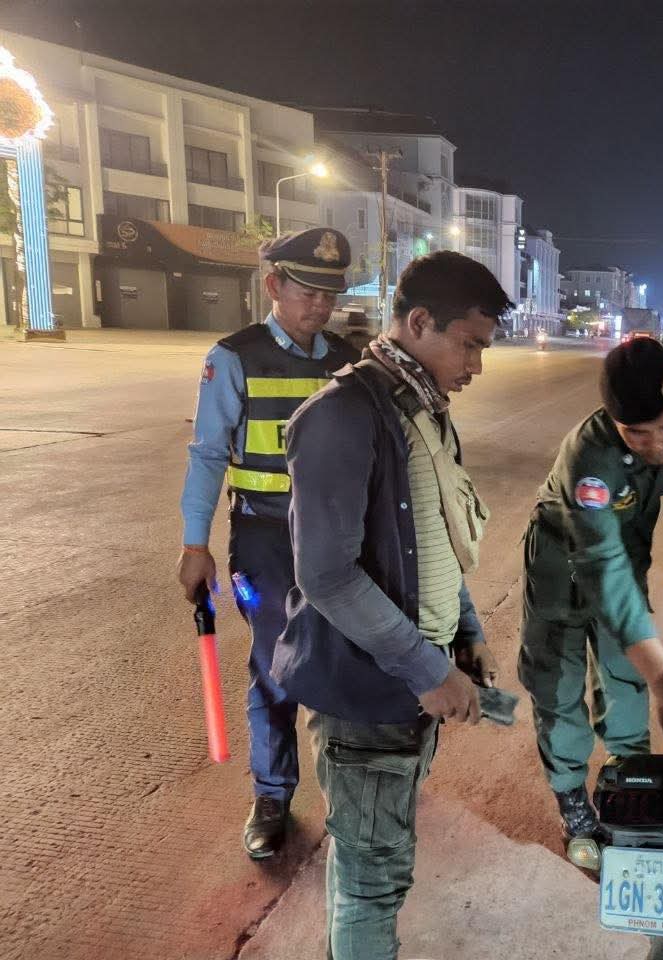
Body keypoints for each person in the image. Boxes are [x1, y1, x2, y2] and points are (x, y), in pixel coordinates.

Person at [271, 251, 510, 959]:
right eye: (468, 344)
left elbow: (434, 538)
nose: (476, 365)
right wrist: (428, 670)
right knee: (373, 877)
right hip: (368, 693)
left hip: (408, 682)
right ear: (420, 321)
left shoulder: (421, 410)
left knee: (372, 861)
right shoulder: (343, 416)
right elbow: (328, 577)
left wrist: (465, 631)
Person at [176, 228, 360, 859]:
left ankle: (350, 790)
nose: (320, 305)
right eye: (308, 290)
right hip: (264, 538)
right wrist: (194, 545)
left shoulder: (347, 360)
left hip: (337, 539)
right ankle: (273, 795)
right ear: (274, 285)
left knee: (343, 657)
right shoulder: (234, 358)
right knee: (274, 665)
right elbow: (207, 455)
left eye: (330, 293)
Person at [519, 337, 663, 839]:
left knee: (626, 673)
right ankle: (572, 795)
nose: (658, 444)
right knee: (559, 684)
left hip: (627, 551)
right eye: (637, 433)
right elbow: (601, 565)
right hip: (562, 565)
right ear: (614, 423)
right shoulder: (590, 456)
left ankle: (629, 777)